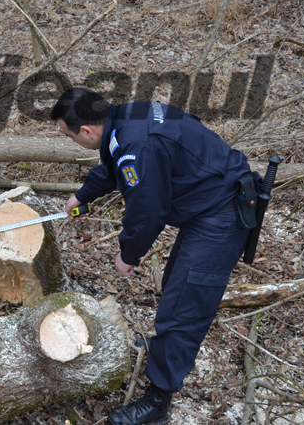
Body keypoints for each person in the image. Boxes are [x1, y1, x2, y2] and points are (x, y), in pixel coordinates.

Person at [50, 88, 255, 425]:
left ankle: (158, 402)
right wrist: (81, 195)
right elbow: (115, 164)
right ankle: (164, 356)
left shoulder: (137, 144)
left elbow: (147, 212)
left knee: (183, 310)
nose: (73, 141)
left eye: (70, 136)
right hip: (210, 198)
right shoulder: (129, 115)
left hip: (221, 213)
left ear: (86, 131)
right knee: (176, 285)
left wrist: (128, 254)